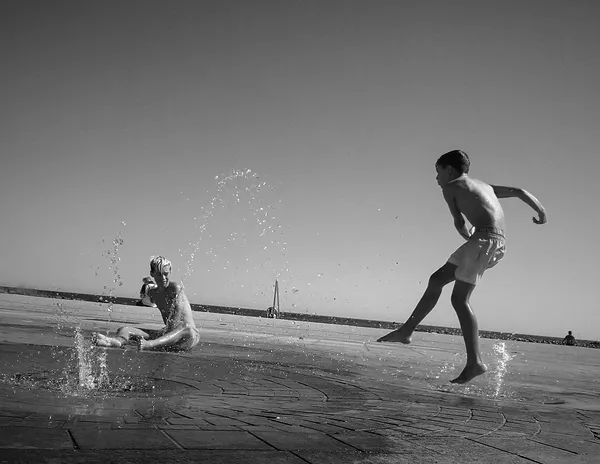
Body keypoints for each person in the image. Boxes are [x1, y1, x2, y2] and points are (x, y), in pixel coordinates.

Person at [377, 150, 547, 384]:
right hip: (493, 242)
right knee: (437, 280)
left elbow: (459, 222)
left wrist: (467, 238)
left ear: (450, 170)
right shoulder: (484, 185)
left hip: (482, 241)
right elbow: (520, 192)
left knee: (459, 299)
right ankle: (407, 331)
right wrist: (541, 211)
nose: (436, 179)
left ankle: (475, 362)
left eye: (438, 172)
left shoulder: (451, 187)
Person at [93, 256, 200, 352]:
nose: (163, 278)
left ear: (170, 271)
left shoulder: (175, 288)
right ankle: (117, 341)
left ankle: (150, 345)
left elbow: (175, 323)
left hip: (187, 337)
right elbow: (151, 289)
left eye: (166, 274)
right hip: (169, 335)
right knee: (125, 329)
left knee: (186, 327)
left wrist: (156, 339)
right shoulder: (153, 293)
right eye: (159, 274)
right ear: (152, 274)